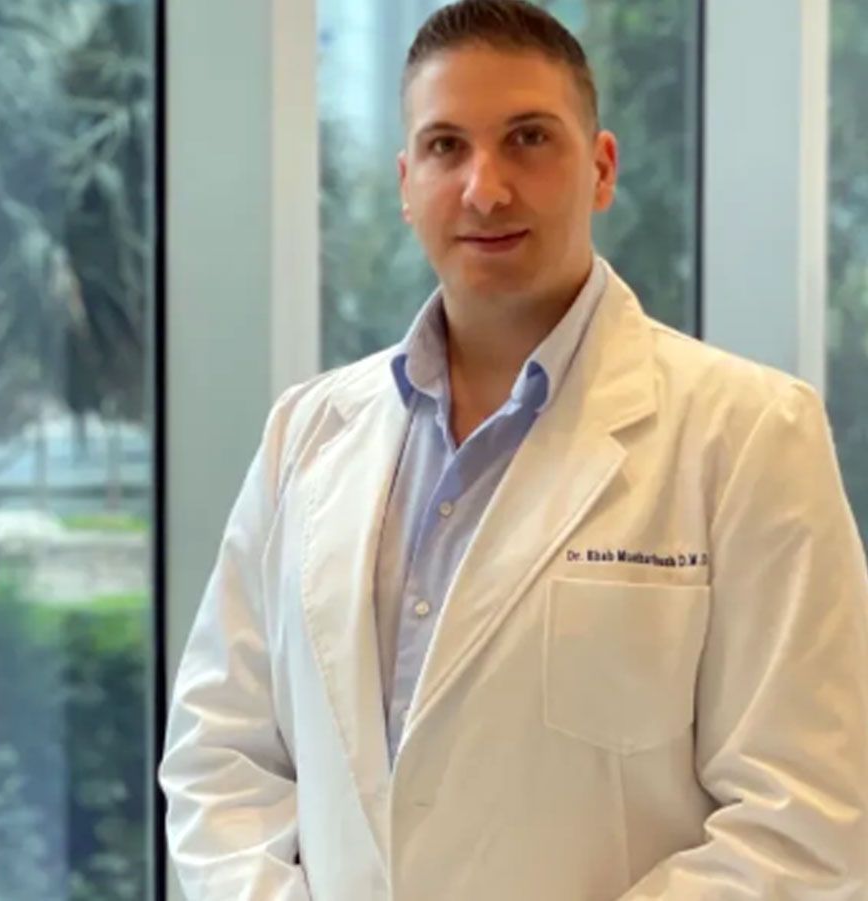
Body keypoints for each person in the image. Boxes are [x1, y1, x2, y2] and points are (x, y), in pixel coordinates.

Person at [158, 1, 868, 898]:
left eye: (529, 138)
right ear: (405, 179)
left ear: (601, 168)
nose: (485, 189)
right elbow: (221, 755)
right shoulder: (307, 432)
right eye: (447, 146)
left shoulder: (752, 433)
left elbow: (804, 820)